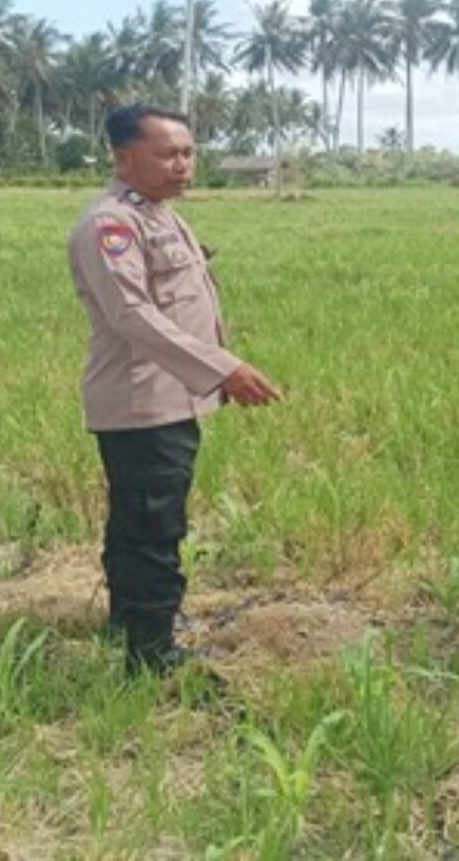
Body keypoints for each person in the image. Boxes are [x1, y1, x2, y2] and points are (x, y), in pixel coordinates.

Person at [68, 104, 280, 674]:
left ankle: (133, 624)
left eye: (188, 152)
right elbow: (131, 315)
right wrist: (222, 368)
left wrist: (212, 372)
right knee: (152, 528)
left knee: (138, 520)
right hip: (142, 403)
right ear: (124, 157)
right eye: (169, 153)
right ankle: (152, 655)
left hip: (171, 396)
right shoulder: (110, 224)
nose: (184, 164)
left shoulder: (159, 214)